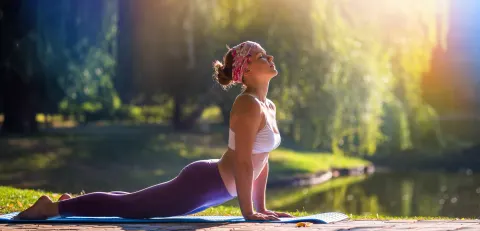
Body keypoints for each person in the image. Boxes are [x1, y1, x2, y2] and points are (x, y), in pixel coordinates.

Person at [14, 41, 293, 221]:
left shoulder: (268, 105)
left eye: (266, 53)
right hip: (203, 185)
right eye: (260, 56)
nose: (269, 57)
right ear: (245, 72)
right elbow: (244, 162)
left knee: (135, 202)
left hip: (212, 188)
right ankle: (51, 208)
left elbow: (261, 161)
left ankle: (73, 204)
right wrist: (249, 213)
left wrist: (262, 208)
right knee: (132, 209)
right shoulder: (247, 105)